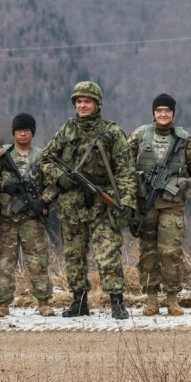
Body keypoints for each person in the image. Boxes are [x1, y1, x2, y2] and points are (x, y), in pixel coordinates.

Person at [40, 81, 138, 319]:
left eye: (87, 101)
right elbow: (44, 161)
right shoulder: (66, 131)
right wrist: (60, 177)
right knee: (73, 255)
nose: (83, 105)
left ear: (97, 104)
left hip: (102, 204)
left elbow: (125, 171)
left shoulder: (111, 132)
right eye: (79, 101)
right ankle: (79, 301)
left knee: (108, 255)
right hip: (71, 206)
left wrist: (126, 203)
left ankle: (116, 302)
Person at [127, 94, 191, 317]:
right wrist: (138, 182)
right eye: (159, 110)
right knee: (148, 252)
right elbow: (123, 165)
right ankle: (151, 299)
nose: (163, 114)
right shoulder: (140, 136)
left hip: (172, 205)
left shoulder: (184, 138)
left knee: (171, 253)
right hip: (146, 204)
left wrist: (179, 185)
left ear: (173, 113)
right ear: (153, 113)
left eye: (167, 111)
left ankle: (172, 299)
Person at [0, 113, 55, 318]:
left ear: (32, 133)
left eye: (26, 130)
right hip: (8, 219)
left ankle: (44, 302)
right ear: (13, 132)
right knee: (4, 263)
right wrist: (4, 186)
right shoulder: (2, 155)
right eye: (19, 130)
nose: (22, 134)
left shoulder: (42, 156)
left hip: (32, 221)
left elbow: (53, 184)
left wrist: (43, 200)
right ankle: (1, 304)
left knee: (38, 263)